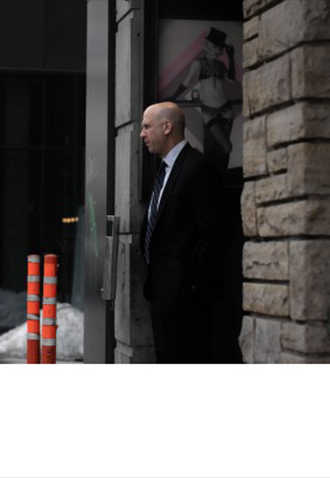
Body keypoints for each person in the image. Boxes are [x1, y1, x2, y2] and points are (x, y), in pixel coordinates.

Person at [139, 102, 227, 363]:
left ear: (167, 127)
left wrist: (191, 286)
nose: (142, 134)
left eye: (147, 127)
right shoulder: (164, 169)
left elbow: (214, 235)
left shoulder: (198, 168)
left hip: (186, 300)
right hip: (161, 294)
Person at [168, 27, 237, 176]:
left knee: (222, 150)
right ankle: (211, 175)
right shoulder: (198, 64)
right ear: (208, 45)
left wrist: (231, 57)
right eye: (213, 45)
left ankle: (220, 177)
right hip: (209, 110)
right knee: (225, 147)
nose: (215, 49)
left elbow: (231, 78)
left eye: (218, 47)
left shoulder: (221, 65)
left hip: (226, 109)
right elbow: (186, 82)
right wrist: (173, 97)